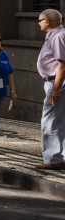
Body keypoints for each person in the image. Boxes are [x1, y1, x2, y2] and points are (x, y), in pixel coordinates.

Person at [36, 10, 65, 170]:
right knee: (59, 120)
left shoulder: (59, 36)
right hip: (53, 81)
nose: (38, 23)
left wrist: (55, 88)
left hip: (57, 83)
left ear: (47, 21)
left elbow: (62, 64)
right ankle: (59, 157)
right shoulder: (55, 35)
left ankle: (53, 159)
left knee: (50, 121)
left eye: (40, 20)